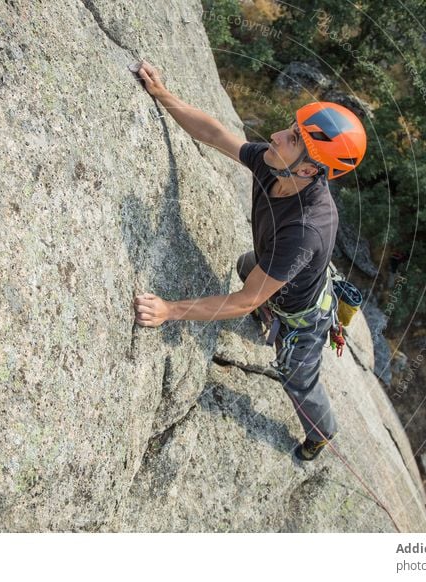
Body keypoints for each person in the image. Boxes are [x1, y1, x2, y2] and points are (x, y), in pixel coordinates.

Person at [132, 61, 367, 461]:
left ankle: (322, 432)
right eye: (289, 128)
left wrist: (170, 310)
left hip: (303, 317)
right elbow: (217, 135)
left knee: (297, 378)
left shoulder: (306, 228)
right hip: (280, 274)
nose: (275, 136)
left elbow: (244, 300)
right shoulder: (279, 165)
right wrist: (163, 95)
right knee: (248, 264)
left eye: (291, 137)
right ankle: (268, 316)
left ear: (310, 169)